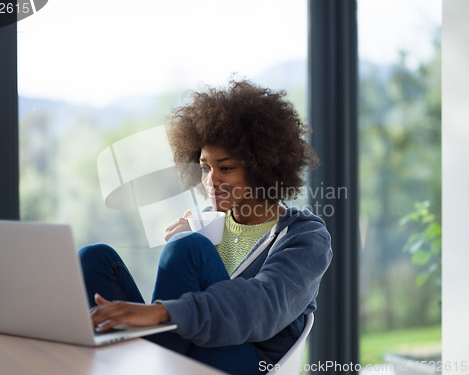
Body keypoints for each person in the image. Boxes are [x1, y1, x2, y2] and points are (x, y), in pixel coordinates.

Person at [79, 80, 332, 375]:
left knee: (188, 249)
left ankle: (138, 364)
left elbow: (264, 307)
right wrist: (190, 243)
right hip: (190, 346)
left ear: (262, 166)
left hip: (250, 360)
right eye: (204, 167)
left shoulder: (305, 237)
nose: (211, 181)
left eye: (226, 168)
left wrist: (167, 303)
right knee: (95, 258)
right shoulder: (210, 223)